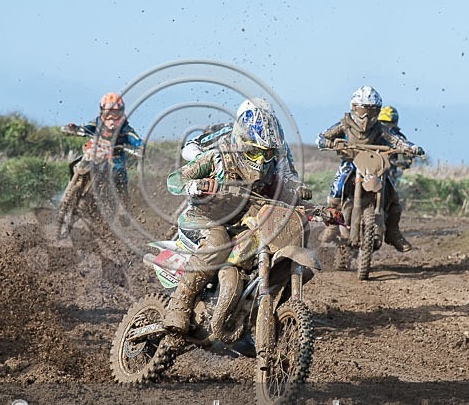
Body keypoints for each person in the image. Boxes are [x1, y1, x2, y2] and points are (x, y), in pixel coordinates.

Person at [162, 103, 308, 332]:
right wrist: (194, 185)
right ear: (241, 142)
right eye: (254, 152)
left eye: (267, 153)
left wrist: (307, 200)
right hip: (205, 216)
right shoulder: (219, 156)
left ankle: (253, 318)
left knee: (274, 242)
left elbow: (288, 182)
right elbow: (174, 179)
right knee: (218, 243)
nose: (261, 160)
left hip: (244, 218)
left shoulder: (272, 165)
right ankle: (179, 304)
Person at [316, 86, 423, 252]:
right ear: (354, 108)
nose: (366, 116)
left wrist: (410, 147)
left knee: (393, 197)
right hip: (351, 162)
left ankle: (393, 232)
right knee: (336, 194)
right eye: (363, 110)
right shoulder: (344, 124)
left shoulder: (380, 128)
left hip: (375, 164)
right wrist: (327, 142)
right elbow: (322, 136)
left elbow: (396, 140)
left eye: (372, 112)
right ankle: (332, 226)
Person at [180, 97, 311, 200]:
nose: (262, 124)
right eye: (253, 151)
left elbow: (288, 174)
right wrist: (203, 162)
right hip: (220, 187)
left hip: (258, 192)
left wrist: (298, 187)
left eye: (265, 120)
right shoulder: (226, 133)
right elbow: (189, 146)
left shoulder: (278, 144)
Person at [62, 92, 143, 198]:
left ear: (122, 113)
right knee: (74, 164)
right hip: (96, 153)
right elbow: (85, 127)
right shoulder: (96, 122)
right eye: (108, 113)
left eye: (116, 113)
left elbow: (136, 140)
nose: (112, 117)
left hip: (115, 159)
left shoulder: (125, 129)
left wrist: (140, 147)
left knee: (120, 176)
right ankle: (69, 193)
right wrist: (73, 128)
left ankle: (122, 207)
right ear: (102, 112)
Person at [378, 105, 414, 183]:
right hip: (370, 165)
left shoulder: (400, 138)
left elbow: (406, 161)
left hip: (390, 171)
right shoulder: (373, 134)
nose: (385, 125)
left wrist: (399, 162)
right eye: (382, 122)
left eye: (388, 122)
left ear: (395, 123)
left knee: (392, 187)